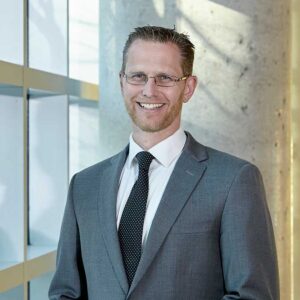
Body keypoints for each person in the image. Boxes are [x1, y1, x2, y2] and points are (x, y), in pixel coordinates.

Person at [49, 26, 279, 300]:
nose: (149, 90)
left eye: (165, 78)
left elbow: (253, 296)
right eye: (138, 76)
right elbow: (65, 293)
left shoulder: (234, 180)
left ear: (188, 87)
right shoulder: (84, 186)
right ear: (122, 81)